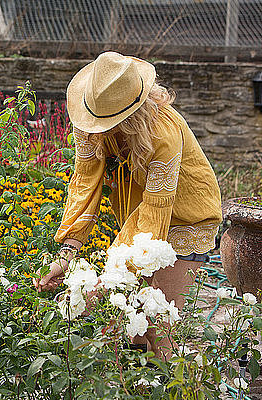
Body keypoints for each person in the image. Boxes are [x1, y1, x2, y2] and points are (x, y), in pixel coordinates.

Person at [34, 52, 222, 360]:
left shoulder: (162, 134)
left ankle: (175, 387)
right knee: (134, 324)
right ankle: (138, 384)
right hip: (140, 218)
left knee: (158, 324)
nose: (98, 128)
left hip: (186, 217)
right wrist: (66, 255)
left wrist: (109, 278)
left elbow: (155, 211)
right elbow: (85, 185)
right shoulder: (89, 120)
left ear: (129, 118)